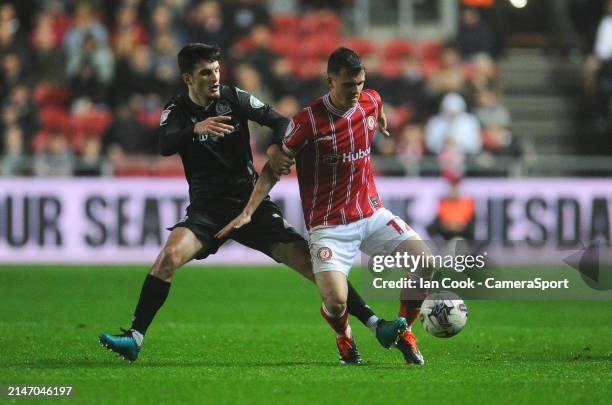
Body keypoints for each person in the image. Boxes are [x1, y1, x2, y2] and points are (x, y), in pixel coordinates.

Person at [99, 43, 406, 362]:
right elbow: (164, 144)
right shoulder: (177, 110)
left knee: (314, 266)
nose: (215, 77)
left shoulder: (234, 98)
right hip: (207, 211)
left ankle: (375, 324)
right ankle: (134, 337)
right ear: (188, 78)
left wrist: (276, 149)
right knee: (167, 258)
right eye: (206, 72)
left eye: (217, 70)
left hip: (252, 205)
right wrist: (194, 129)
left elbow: (280, 122)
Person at [217, 47, 435, 365]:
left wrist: (380, 115)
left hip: (371, 214)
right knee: (335, 301)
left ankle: (405, 330)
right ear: (330, 81)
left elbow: (376, 101)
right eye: (348, 85)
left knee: (424, 263)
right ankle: (344, 337)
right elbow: (274, 166)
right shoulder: (308, 122)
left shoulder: (370, 101)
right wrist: (249, 210)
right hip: (329, 226)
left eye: (360, 83)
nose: (356, 91)